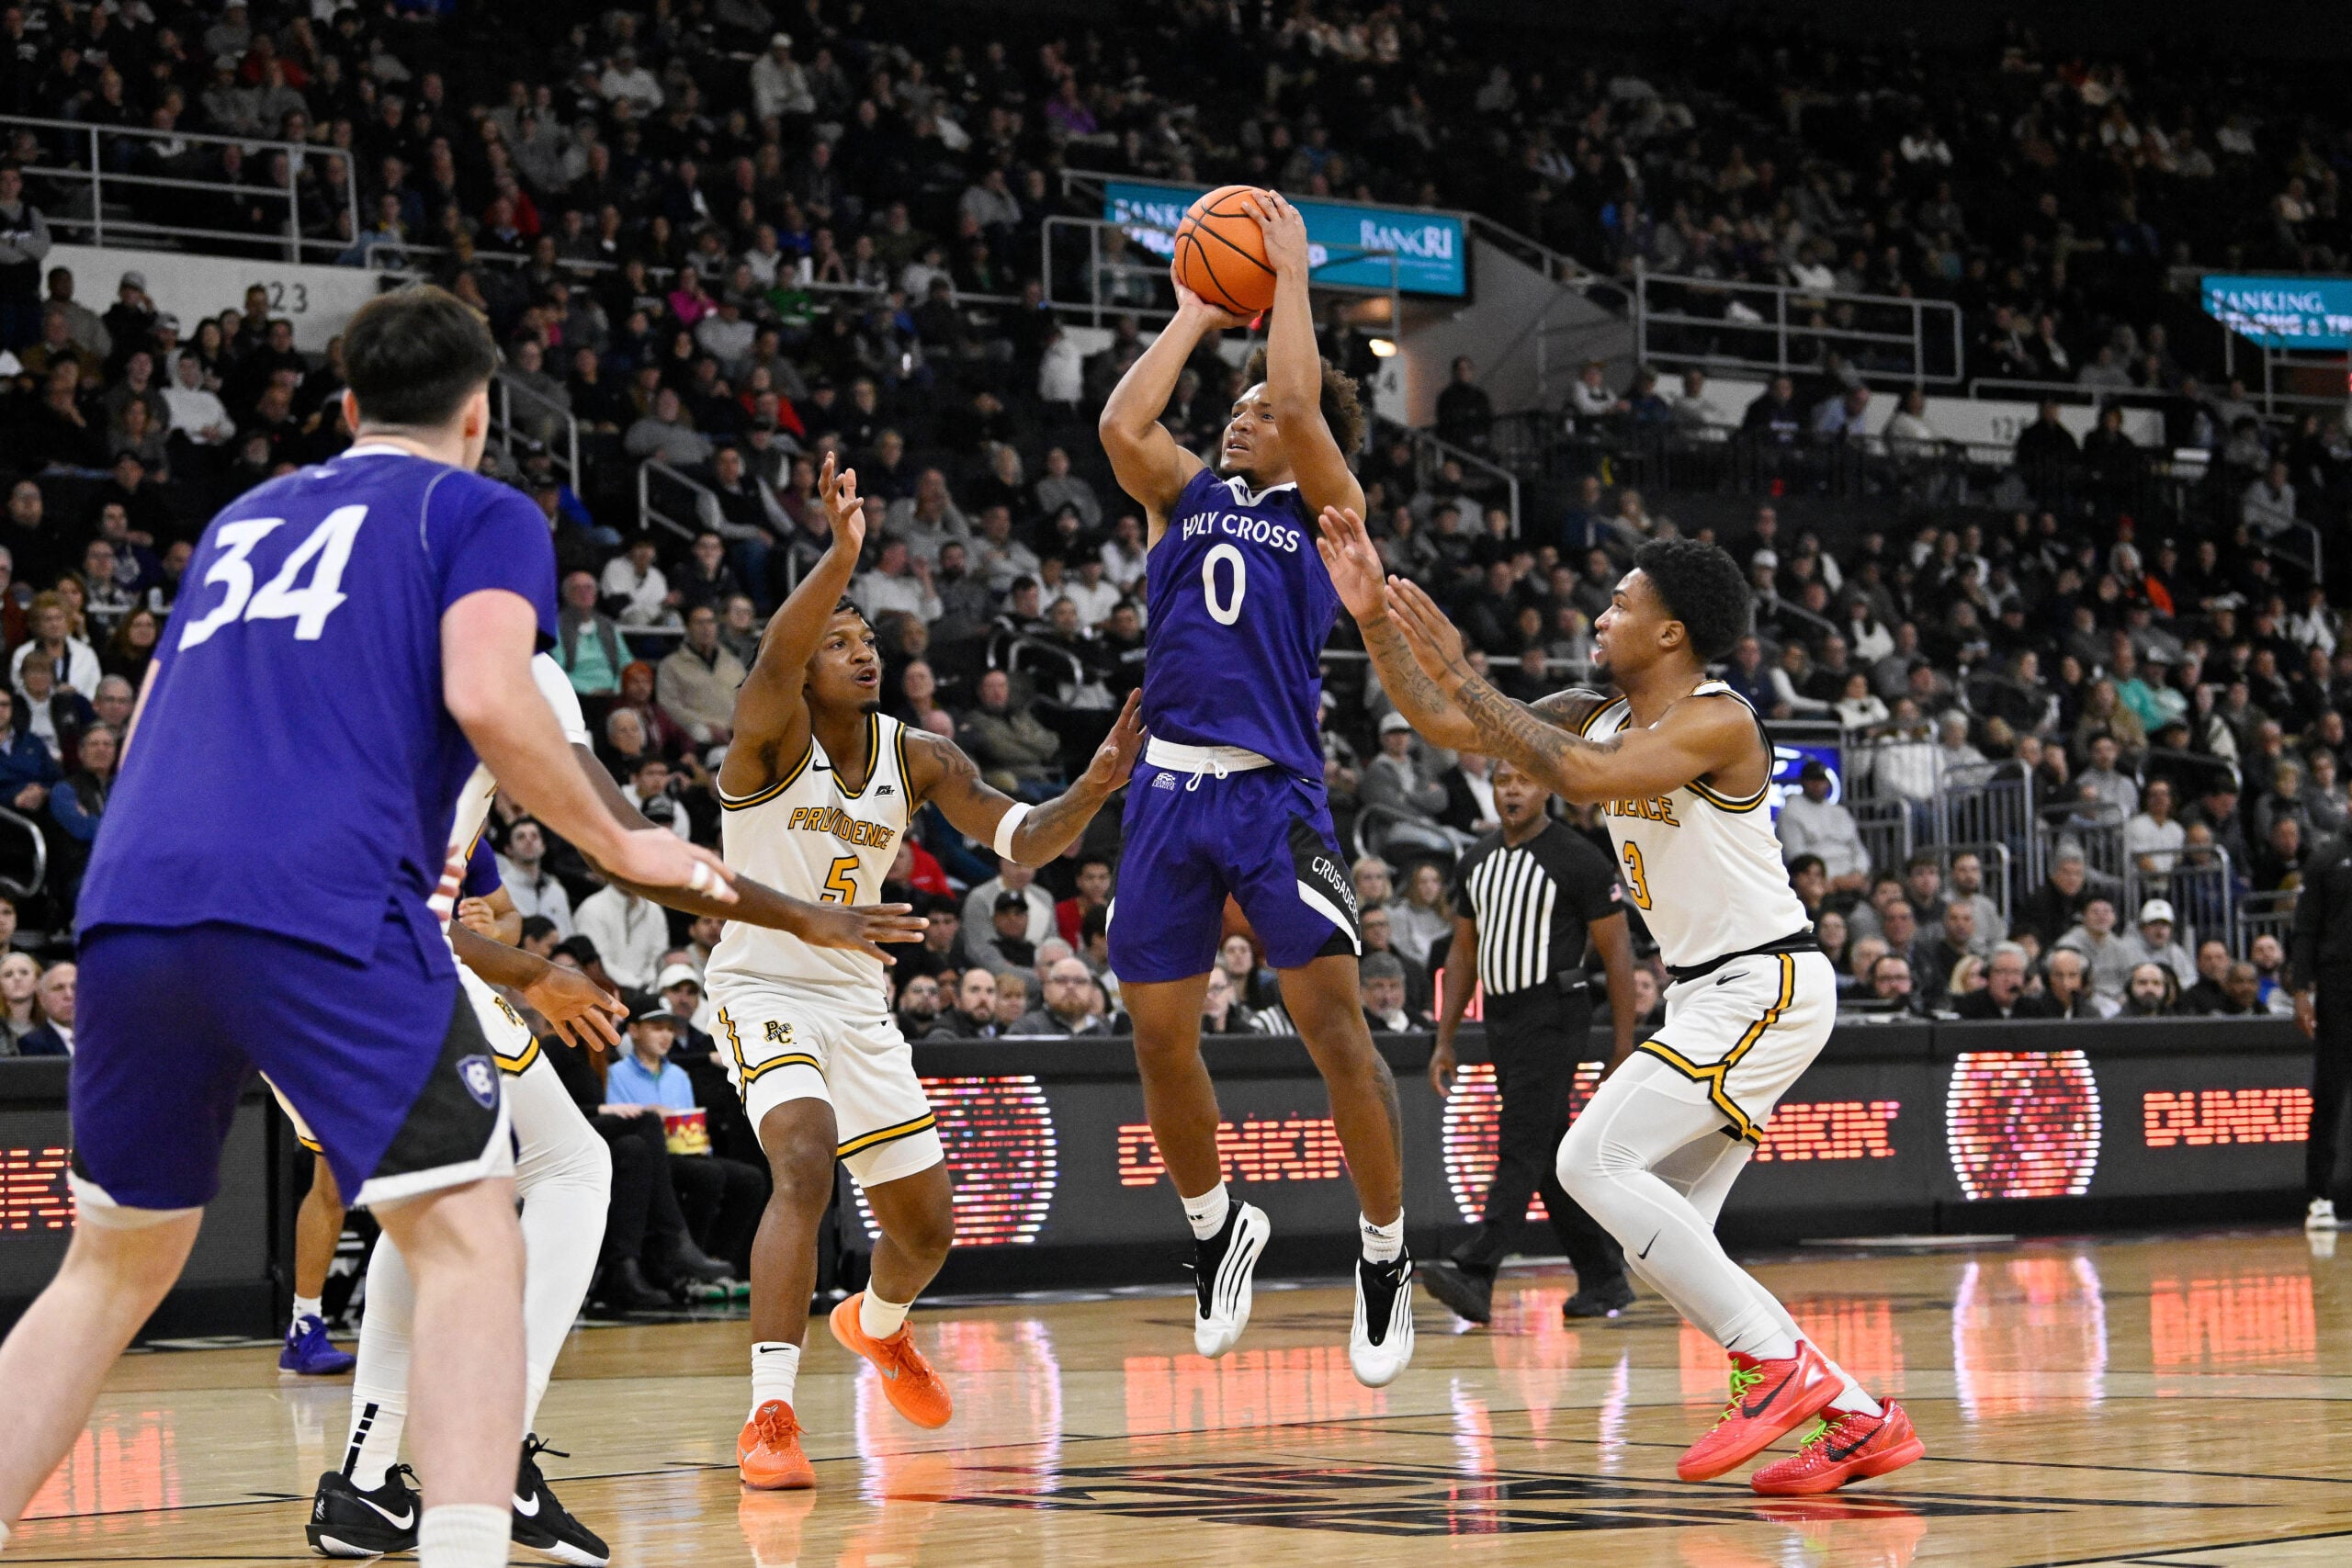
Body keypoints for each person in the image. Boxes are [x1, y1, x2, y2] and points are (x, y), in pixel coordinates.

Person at [0, 287, 735, 1568]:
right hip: (321, 895)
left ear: (342, 408)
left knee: (107, 1270)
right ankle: (451, 1530)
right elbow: (486, 693)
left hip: (132, 895)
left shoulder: (238, 517)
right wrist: (627, 844)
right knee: (468, 1236)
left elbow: (163, 703)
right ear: (478, 413)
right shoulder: (479, 508)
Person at [1338, 522, 1917, 1495]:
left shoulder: (1720, 719)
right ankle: (1861, 1419)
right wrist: (1376, 624)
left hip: (1763, 981)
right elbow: (1447, 722)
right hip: (1711, 991)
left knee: (1587, 1160)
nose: (1601, 614)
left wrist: (1467, 671)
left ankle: (1776, 1366)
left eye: (1621, 603)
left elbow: (1581, 777)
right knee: (1671, 1235)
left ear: (1670, 634)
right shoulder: (1598, 708)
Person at [709, 456, 1144, 1490]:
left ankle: (877, 1322)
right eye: (837, 644)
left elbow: (1023, 840)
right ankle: (770, 1414)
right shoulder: (768, 742)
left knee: (927, 1229)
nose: (859, 655)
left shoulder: (922, 757)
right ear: (805, 666)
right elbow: (772, 654)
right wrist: (841, 556)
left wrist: (1087, 787)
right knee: (804, 1164)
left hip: (858, 1005)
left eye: (866, 640)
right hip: (764, 987)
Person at [1097, 191, 1414, 1388]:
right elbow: (1126, 423)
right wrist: (1190, 312)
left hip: (1277, 797)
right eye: (1226, 412)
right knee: (1160, 1037)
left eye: (1253, 412)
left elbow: (1294, 396)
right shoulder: (1183, 496)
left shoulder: (1330, 510)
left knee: (1336, 1028)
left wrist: (1287, 286)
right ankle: (1215, 1225)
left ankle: (1382, 1252)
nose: (1235, 422)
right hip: (1171, 794)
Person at [1420, 758, 1641, 1327]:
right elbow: (1463, 953)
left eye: (1523, 780)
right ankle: (1602, 1278)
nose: (1512, 790)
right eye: (1503, 781)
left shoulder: (1579, 858)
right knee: (1544, 1152)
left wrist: (1622, 1046)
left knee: (1519, 1139)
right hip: (1501, 1015)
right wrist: (1445, 1038)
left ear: (1546, 789)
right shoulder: (1476, 860)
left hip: (1556, 1010)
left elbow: (1618, 956)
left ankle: (1478, 1270)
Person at [604, 999, 767, 1273]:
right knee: (707, 1176)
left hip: (685, 1152)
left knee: (750, 1179)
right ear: (633, 1030)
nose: (666, 1035)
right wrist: (650, 1113)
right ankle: (681, 1258)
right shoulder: (615, 1074)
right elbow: (617, 1120)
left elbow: (690, 1121)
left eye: (669, 1029)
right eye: (656, 1028)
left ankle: (718, 1256)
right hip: (649, 1157)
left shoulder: (679, 1075)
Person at [2290, 828, 2352, 1233]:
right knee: (2330, 1091)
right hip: (2339, 984)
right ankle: (2320, 1198)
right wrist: (2300, 989)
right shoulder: (2327, 857)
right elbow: (2306, 928)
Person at [1774, 759, 1869, 892]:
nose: (1818, 784)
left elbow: (1857, 848)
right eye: (1813, 780)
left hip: (1851, 877)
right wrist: (1830, 879)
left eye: (1821, 780)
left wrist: (1859, 873)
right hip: (1819, 882)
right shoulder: (1790, 812)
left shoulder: (1839, 812)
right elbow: (1796, 858)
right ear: (1802, 782)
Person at [1951, 942, 2034, 1021]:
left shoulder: (2033, 1009)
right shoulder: (1968, 1007)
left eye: (2016, 972)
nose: (2009, 979)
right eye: (2002, 971)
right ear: (1988, 975)